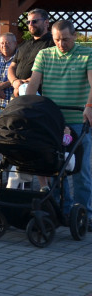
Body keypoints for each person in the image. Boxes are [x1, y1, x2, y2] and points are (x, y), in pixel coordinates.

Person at [27, 20, 92, 213]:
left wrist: (89, 106)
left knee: (81, 169)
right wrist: (27, 107)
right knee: (55, 166)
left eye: (65, 39)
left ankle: (83, 213)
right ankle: (61, 209)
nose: (61, 44)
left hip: (79, 118)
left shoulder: (87, 53)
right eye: (57, 40)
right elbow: (33, 83)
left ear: (74, 36)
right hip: (53, 120)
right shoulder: (44, 54)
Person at [8, 9, 53, 97]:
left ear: (46, 23)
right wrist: (14, 82)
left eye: (34, 21)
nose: (31, 24)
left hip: (38, 96)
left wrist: (24, 85)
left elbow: (51, 70)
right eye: (28, 22)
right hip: (17, 94)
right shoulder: (24, 44)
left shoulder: (53, 44)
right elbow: (12, 66)